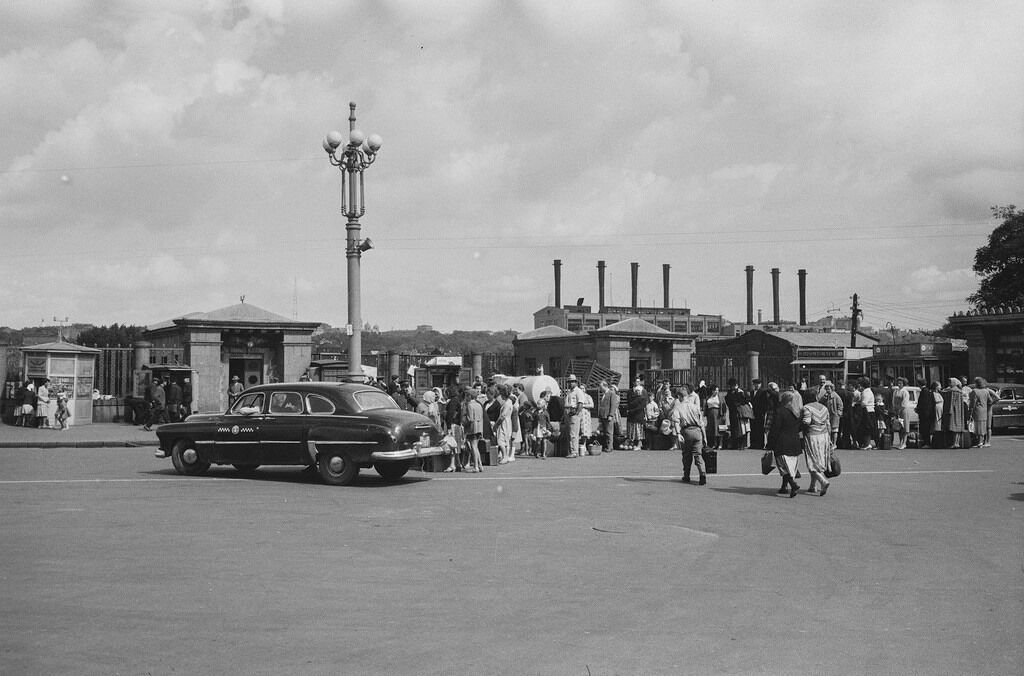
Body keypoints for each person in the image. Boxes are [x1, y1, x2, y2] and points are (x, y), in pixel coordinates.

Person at [768, 388, 803, 498]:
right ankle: (784, 487)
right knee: (790, 466)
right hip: (795, 442)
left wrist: (770, 441)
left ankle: (793, 484)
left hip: (782, 441)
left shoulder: (780, 411)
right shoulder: (796, 412)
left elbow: (775, 428)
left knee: (782, 466)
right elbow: (800, 427)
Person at [671, 391, 707, 485]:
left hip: (686, 432)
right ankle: (702, 472)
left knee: (687, 455)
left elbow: (676, 421)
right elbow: (701, 422)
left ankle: (686, 475)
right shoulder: (695, 406)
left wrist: (678, 433)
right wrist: (704, 436)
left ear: (680, 396)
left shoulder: (678, 407)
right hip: (697, 431)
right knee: (698, 454)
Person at [801, 397, 832, 496]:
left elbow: (807, 421)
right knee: (820, 459)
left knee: (812, 460)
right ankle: (813, 486)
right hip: (824, 436)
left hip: (812, 436)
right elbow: (828, 423)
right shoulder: (824, 407)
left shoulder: (806, 407)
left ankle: (823, 481)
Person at [461, 387, 484, 473]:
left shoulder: (469, 405)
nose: (466, 398)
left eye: (467, 396)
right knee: (476, 447)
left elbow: (470, 418)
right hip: (479, 427)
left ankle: (476, 466)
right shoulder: (479, 404)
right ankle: (480, 465)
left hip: (472, 428)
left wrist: (464, 423)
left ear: (470, 396)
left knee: (473, 447)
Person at [969, 378, 996, 448]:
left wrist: (970, 410)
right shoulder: (986, 391)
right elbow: (990, 400)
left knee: (977, 426)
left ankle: (979, 442)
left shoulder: (974, 391)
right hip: (984, 410)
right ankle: (982, 441)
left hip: (977, 410)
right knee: (982, 426)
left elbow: (973, 402)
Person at [724, 378, 751, 449]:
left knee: (742, 429)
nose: (730, 387)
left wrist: (738, 401)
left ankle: (742, 444)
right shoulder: (730, 392)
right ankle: (735, 444)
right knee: (734, 428)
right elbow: (728, 400)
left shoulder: (741, 391)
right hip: (733, 412)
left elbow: (747, 400)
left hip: (740, 413)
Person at [563, 374, 584, 458]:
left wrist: (576, 412)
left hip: (573, 413)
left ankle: (574, 451)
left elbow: (580, 403)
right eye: (570, 382)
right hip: (568, 413)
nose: (571, 383)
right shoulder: (570, 392)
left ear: (576, 382)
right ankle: (571, 450)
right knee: (570, 433)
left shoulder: (578, 391)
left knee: (573, 434)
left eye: (572, 382)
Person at [941, 378, 965, 449]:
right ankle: (957, 443)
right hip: (959, 411)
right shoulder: (959, 391)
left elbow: (951, 403)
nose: (949, 384)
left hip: (953, 411)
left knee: (953, 427)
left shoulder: (951, 391)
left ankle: (954, 443)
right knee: (958, 428)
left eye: (950, 382)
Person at [596, 380, 619, 453]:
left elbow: (613, 405)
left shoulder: (611, 394)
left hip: (608, 415)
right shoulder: (604, 394)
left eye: (601, 387)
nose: (600, 388)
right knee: (605, 432)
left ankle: (610, 447)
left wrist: (611, 415)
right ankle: (606, 445)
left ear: (605, 386)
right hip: (603, 416)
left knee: (609, 432)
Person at [625, 377, 647, 450]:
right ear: (633, 382)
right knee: (631, 430)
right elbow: (629, 402)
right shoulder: (630, 391)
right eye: (636, 381)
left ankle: (639, 444)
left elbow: (643, 404)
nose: (637, 383)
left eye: (638, 381)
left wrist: (637, 399)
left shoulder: (643, 391)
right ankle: (632, 443)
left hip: (639, 414)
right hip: (631, 415)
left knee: (638, 430)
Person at [891, 377, 913, 449]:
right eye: (898, 383)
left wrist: (900, 409)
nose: (899, 384)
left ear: (903, 384)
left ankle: (904, 442)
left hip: (904, 410)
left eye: (900, 383)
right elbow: (893, 401)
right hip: (897, 410)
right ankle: (900, 442)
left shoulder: (905, 392)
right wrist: (895, 409)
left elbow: (905, 402)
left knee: (905, 427)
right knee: (899, 426)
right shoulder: (896, 391)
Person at [494, 385, 514, 464]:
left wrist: (496, 425)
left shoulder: (507, 403)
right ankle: (504, 456)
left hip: (504, 423)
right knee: (505, 440)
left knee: (501, 440)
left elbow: (503, 416)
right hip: (507, 422)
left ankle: (505, 456)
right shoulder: (508, 402)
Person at [821, 381, 844, 447]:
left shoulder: (836, 396)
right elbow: (820, 402)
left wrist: (839, 413)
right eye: (826, 389)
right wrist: (824, 398)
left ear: (832, 389)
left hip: (834, 415)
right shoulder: (826, 396)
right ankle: (829, 442)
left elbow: (840, 405)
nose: (827, 390)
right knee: (828, 429)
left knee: (834, 430)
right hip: (828, 415)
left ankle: (834, 443)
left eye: (828, 389)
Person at [749, 379, 769, 449]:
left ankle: (760, 444)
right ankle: (753, 444)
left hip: (760, 413)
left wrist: (763, 412)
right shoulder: (751, 392)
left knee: (760, 429)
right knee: (753, 428)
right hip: (752, 412)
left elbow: (765, 403)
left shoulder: (763, 392)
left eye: (758, 384)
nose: (756, 385)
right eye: (755, 384)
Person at [703, 384, 722, 450]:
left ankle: (719, 444)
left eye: (717, 390)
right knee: (710, 429)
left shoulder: (719, 397)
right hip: (710, 414)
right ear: (712, 391)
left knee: (717, 429)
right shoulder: (709, 397)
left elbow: (723, 406)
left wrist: (723, 415)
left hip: (717, 414)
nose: (716, 391)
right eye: (715, 390)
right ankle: (712, 444)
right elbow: (706, 405)